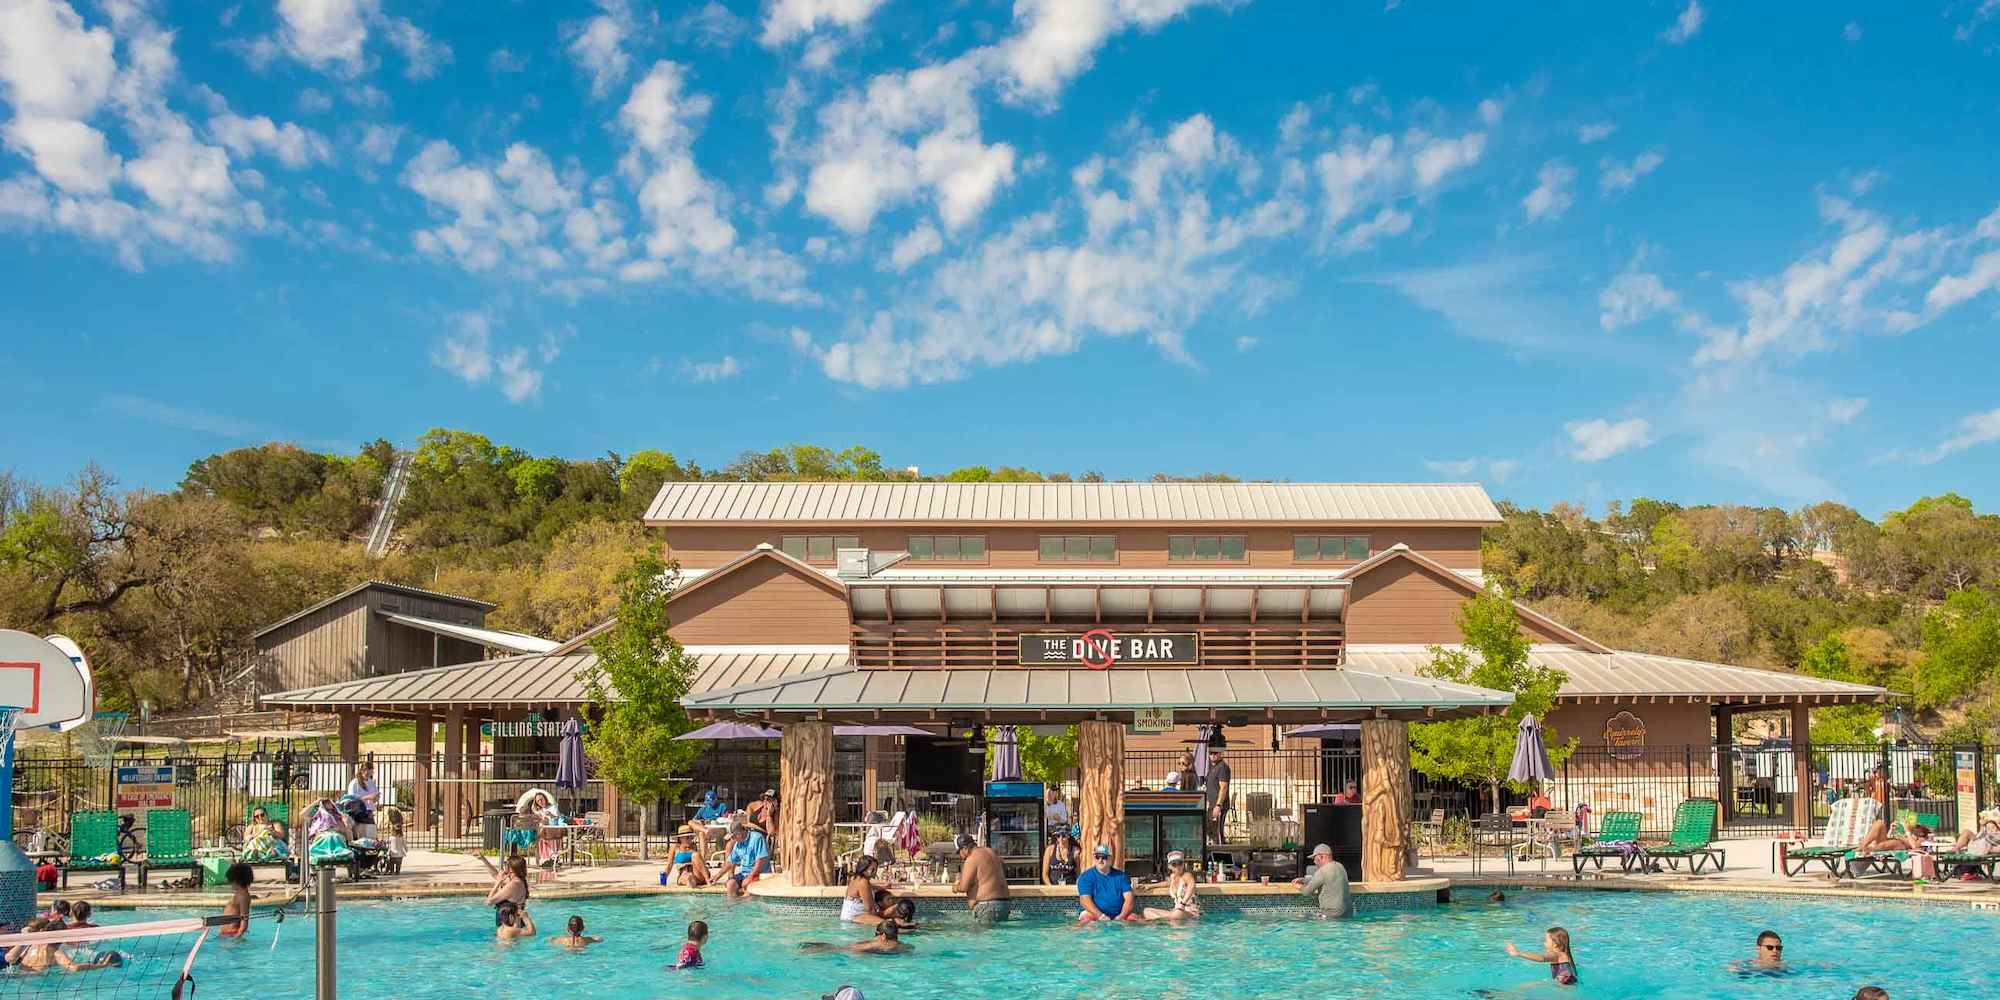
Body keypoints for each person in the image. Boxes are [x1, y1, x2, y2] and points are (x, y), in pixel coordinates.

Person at [5, 918, 122, 972]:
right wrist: (102, 965)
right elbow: (74, 968)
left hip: (18, 976)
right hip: (37, 980)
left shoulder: (32, 944)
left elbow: (10, 958)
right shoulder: (56, 952)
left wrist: (25, 937)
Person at [953, 833, 1010, 925]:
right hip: (1004, 905)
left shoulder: (971, 859)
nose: (960, 856)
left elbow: (964, 887)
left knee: (979, 937)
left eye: (959, 852)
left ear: (965, 849)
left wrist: (956, 885)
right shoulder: (991, 852)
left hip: (987, 907)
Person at [1075, 843, 1137, 923]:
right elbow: (1085, 900)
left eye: (1104, 857)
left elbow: (1129, 899)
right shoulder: (1085, 877)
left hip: (1119, 914)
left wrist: (1121, 916)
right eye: (1097, 857)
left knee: (1135, 919)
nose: (1100, 860)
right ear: (1094, 858)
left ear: (1110, 859)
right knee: (1086, 920)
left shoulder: (1121, 876)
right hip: (1093, 914)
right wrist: (1100, 915)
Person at [1505, 926, 1578, 986]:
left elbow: (1541, 958)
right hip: (1569, 985)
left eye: (1546, 940)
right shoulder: (1564, 954)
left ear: (1555, 944)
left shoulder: (1556, 954)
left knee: (1525, 986)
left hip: (1564, 988)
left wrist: (1519, 953)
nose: (1544, 942)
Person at [1139, 851, 1200, 920]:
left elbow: (1191, 886)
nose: (1177, 867)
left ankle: (1161, 921)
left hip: (1189, 913)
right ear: (1169, 866)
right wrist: (1150, 886)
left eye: (1180, 863)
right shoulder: (1173, 877)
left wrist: (1183, 904)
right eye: (1174, 864)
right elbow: (1167, 883)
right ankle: (1164, 920)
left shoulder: (1187, 876)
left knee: (1177, 913)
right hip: (1176, 911)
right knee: (1147, 911)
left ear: (1183, 864)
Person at [1294, 843, 1351, 916]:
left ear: (1321, 857)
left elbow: (1306, 892)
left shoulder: (1322, 871)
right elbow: (1326, 879)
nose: (1314, 862)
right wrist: (1303, 880)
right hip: (1347, 913)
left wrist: (1297, 886)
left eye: (1314, 858)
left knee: (1301, 916)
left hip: (1331, 915)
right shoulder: (1340, 866)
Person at [800, 921, 910, 954]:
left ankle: (806, 947)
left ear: (883, 935)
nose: (874, 937)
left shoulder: (878, 944)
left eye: (876, 934)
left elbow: (844, 949)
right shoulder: (905, 946)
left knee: (837, 948)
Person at [725, 820, 770, 898]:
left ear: (739, 834)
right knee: (730, 884)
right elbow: (730, 862)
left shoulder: (757, 838)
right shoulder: (738, 844)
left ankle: (745, 906)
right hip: (744, 874)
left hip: (759, 874)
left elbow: (760, 861)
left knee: (748, 890)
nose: (732, 839)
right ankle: (732, 908)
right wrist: (716, 877)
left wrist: (750, 877)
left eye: (733, 837)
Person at [483, 854, 530, 920]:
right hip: (513, 923)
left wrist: (497, 883)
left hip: (510, 926)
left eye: (506, 864)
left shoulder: (513, 885)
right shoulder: (518, 881)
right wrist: (483, 859)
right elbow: (495, 875)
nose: (503, 866)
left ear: (510, 869)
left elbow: (489, 901)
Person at [219, 862, 255, 939]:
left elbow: (244, 920)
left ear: (237, 880)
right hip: (226, 934)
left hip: (232, 935)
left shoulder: (243, 896)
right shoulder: (238, 894)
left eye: (231, 882)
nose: (230, 884)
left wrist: (237, 938)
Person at [346, 764, 380, 839]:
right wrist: (368, 797)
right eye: (367, 773)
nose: (369, 775)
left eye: (371, 773)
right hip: (359, 813)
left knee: (370, 835)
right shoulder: (354, 783)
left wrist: (376, 798)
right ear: (362, 771)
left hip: (369, 812)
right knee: (363, 836)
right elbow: (352, 800)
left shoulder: (371, 782)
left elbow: (375, 794)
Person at [1205, 747, 1232, 841]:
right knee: (1211, 831)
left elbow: (1223, 787)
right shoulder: (1212, 767)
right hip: (1211, 804)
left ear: (1220, 753)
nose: (1212, 755)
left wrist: (1218, 805)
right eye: (1211, 753)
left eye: (1215, 753)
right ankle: (1214, 852)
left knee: (1217, 833)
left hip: (1218, 806)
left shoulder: (1222, 767)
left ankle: (1220, 852)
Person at [842, 856, 880, 922]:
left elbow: (871, 887)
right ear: (863, 869)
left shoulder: (857, 878)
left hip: (850, 918)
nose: (875, 872)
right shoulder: (863, 882)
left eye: (876, 869)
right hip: (853, 919)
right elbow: (870, 910)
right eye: (872, 869)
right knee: (889, 925)